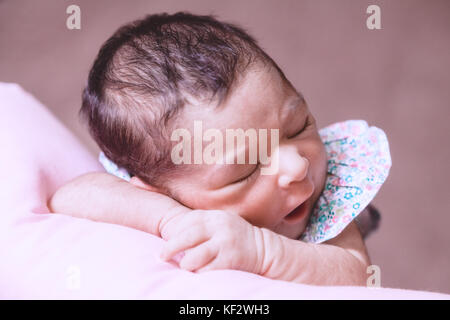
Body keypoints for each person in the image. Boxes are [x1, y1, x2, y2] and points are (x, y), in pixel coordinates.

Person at [49, 12, 391, 286]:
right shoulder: (164, 201)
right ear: (164, 193)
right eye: (247, 170)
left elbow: (356, 275)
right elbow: (69, 197)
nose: (296, 166)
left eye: (298, 126)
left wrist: (261, 251)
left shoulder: (330, 195)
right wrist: (173, 220)